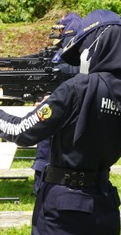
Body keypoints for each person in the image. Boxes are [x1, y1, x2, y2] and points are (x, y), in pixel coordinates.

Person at [0, 9, 121, 235]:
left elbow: (20, 131)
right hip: (104, 205)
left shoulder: (77, 90)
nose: (83, 55)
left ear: (97, 45)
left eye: (85, 47)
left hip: (63, 210)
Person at [31, 13, 81, 194]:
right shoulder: (69, 51)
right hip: (63, 109)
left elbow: (62, 72)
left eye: (61, 29)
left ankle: (42, 187)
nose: (58, 33)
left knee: (46, 150)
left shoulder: (69, 53)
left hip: (60, 112)